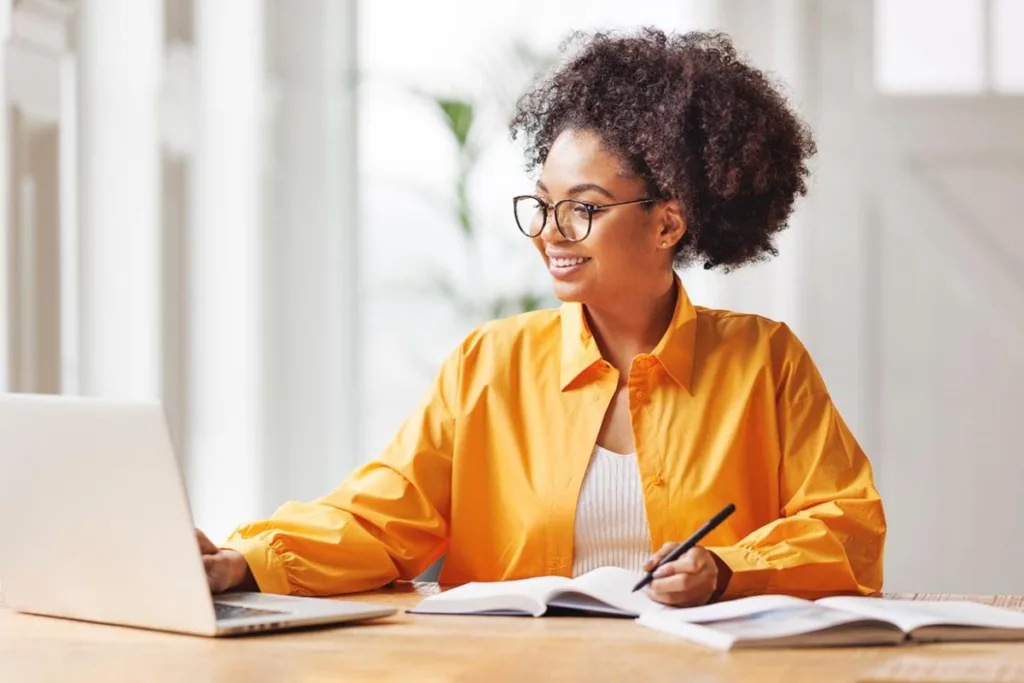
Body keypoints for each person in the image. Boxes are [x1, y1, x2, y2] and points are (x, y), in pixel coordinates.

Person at [198, 29, 885, 608]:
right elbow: (380, 519)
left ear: (668, 222)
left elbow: (847, 527)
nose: (550, 232)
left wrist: (729, 569)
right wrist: (244, 559)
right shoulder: (489, 363)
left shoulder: (765, 361)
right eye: (542, 203)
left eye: (583, 208)